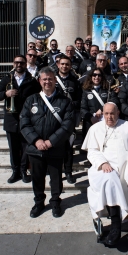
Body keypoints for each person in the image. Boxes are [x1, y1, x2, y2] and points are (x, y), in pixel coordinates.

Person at [81, 102, 128, 246]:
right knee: (110, 179)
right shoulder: (95, 128)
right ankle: (115, 226)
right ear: (103, 114)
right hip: (104, 167)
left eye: (112, 113)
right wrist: (102, 163)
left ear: (118, 113)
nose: (109, 117)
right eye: (106, 114)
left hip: (127, 165)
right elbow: (92, 151)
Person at [20, 66, 75, 218]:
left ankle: (56, 201)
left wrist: (51, 141)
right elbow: (24, 124)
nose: (47, 82)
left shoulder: (65, 102)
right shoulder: (31, 100)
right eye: (44, 79)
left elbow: (68, 125)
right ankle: (39, 202)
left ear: (55, 80)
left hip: (55, 148)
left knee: (56, 178)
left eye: (50, 79)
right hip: (35, 149)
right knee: (37, 178)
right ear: (39, 81)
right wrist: (36, 141)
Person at [0, 55, 41, 184]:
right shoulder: (6, 79)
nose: (19, 65)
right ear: (13, 64)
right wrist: (5, 94)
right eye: (16, 63)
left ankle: (23, 171)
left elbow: (39, 97)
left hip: (26, 120)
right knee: (13, 148)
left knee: (25, 147)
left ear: (25, 64)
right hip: (11, 119)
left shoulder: (31, 81)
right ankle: (15, 172)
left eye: (21, 63)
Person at [55, 55, 81, 184]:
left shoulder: (75, 81)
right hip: (54, 118)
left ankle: (69, 171)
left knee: (68, 147)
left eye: (67, 64)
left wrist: (70, 104)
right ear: (58, 64)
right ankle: (56, 173)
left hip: (69, 119)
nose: (65, 66)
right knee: (55, 147)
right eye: (62, 64)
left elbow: (79, 100)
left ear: (70, 66)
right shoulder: (52, 80)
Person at [80, 68, 117, 138]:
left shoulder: (108, 89)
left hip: (106, 121)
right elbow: (83, 109)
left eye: (99, 75)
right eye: (94, 75)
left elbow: (114, 101)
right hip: (91, 123)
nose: (97, 77)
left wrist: (101, 109)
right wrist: (91, 118)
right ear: (91, 77)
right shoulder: (86, 91)